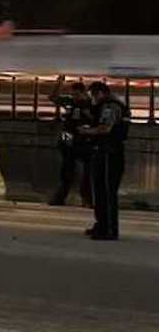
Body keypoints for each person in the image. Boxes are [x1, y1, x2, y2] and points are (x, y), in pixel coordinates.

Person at [79, 81, 128, 241]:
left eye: (93, 95)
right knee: (100, 192)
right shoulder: (109, 105)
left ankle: (109, 229)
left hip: (109, 154)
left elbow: (105, 128)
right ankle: (101, 225)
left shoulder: (110, 106)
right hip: (105, 152)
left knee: (106, 193)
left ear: (99, 93)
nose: (93, 99)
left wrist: (87, 131)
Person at [48, 76, 94, 207]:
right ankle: (60, 197)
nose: (75, 97)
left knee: (87, 173)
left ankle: (87, 199)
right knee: (66, 171)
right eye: (73, 95)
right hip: (69, 136)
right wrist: (59, 83)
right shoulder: (70, 101)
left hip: (84, 138)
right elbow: (53, 97)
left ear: (84, 93)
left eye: (77, 95)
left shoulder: (90, 104)